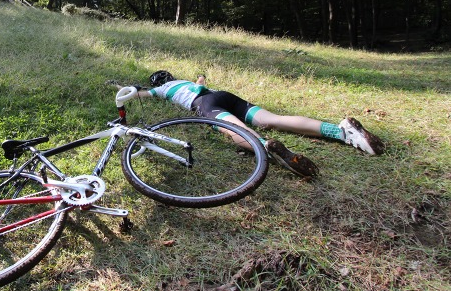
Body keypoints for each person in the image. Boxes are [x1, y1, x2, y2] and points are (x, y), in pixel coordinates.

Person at [117, 70, 385, 178]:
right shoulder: (188, 82)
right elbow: (199, 78)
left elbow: (137, 94)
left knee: (236, 131)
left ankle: (264, 147)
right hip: (223, 96)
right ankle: (341, 132)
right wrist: (199, 75)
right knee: (274, 119)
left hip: (206, 106)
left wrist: (126, 88)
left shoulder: (163, 89)